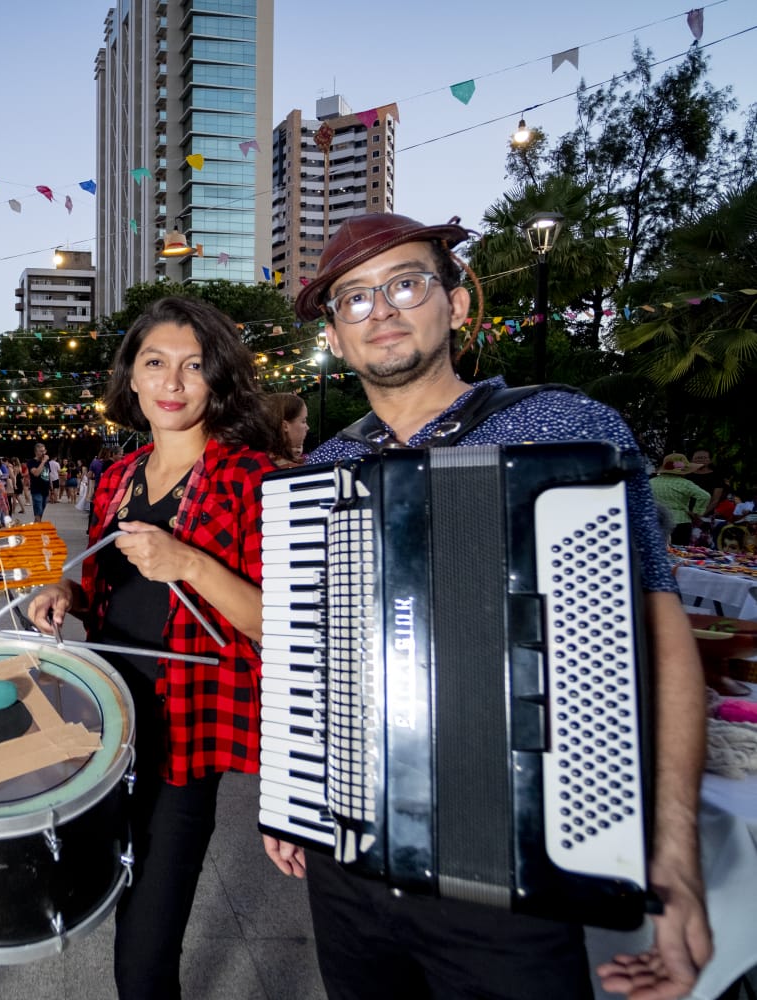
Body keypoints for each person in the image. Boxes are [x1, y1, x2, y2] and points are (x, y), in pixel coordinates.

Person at [263, 212, 710, 1000]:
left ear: (458, 304)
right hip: (351, 870)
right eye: (355, 299)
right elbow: (309, 650)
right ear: (334, 337)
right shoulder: (324, 473)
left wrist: (675, 855)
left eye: (405, 283)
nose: (383, 311)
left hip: (516, 870)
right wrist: (296, 788)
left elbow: (661, 636)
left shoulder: (566, 427)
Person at [28, 297, 278, 1000]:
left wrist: (190, 564)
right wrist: (66, 597)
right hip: (104, 727)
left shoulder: (250, 478)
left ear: (218, 379)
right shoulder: (117, 477)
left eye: (194, 367)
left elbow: (278, 623)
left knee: (146, 947)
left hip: (184, 737)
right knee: (102, 901)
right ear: (131, 379)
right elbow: (103, 592)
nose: (173, 382)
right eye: (155, 363)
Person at [650, 453, 711, 546]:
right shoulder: (684, 483)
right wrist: (697, 513)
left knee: (656, 551)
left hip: (656, 521)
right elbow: (705, 496)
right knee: (680, 553)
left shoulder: (651, 482)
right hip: (680, 522)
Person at [264, 392, 310, 467]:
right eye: (303, 421)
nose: (307, 428)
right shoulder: (295, 472)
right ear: (285, 426)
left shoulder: (259, 461)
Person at [28, 442, 53, 521]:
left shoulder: (47, 462)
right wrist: (43, 462)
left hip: (45, 490)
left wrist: (51, 489)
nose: (43, 453)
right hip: (36, 490)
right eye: (40, 451)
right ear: (36, 452)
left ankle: (36, 527)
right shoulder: (31, 462)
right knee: (38, 511)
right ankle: (38, 530)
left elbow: (48, 475)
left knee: (41, 512)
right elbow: (36, 473)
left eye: (44, 451)